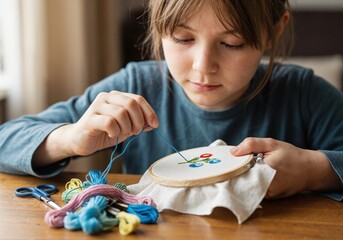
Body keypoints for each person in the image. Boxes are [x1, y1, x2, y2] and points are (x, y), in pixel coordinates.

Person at [0, 0, 342, 200]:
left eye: (232, 43)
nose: (202, 66)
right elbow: (6, 139)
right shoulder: (136, 85)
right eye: (182, 38)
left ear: (274, 32)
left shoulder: (305, 96)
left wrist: (315, 171)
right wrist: (71, 137)